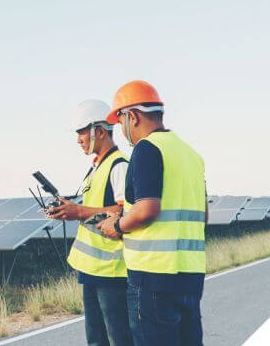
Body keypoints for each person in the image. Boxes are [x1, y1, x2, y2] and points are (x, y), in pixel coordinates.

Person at [97, 81, 206, 346]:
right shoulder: (190, 154)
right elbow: (203, 214)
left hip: (153, 276)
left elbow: (147, 209)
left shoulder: (147, 148)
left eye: (120, 121)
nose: (122, 131)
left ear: (131, 116)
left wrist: (117, 226)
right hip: (191, 274)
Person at [47, 99, 133, 346]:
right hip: (92, 270)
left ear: (99, 131)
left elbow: (123, 212)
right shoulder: (97, 167)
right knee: (96, 340)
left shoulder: (119, 166)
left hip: (111, 272)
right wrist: (69, 210)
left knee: (118, 339)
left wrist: (79, 211)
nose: (78, 139)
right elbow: (91, 210)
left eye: (81, 132)